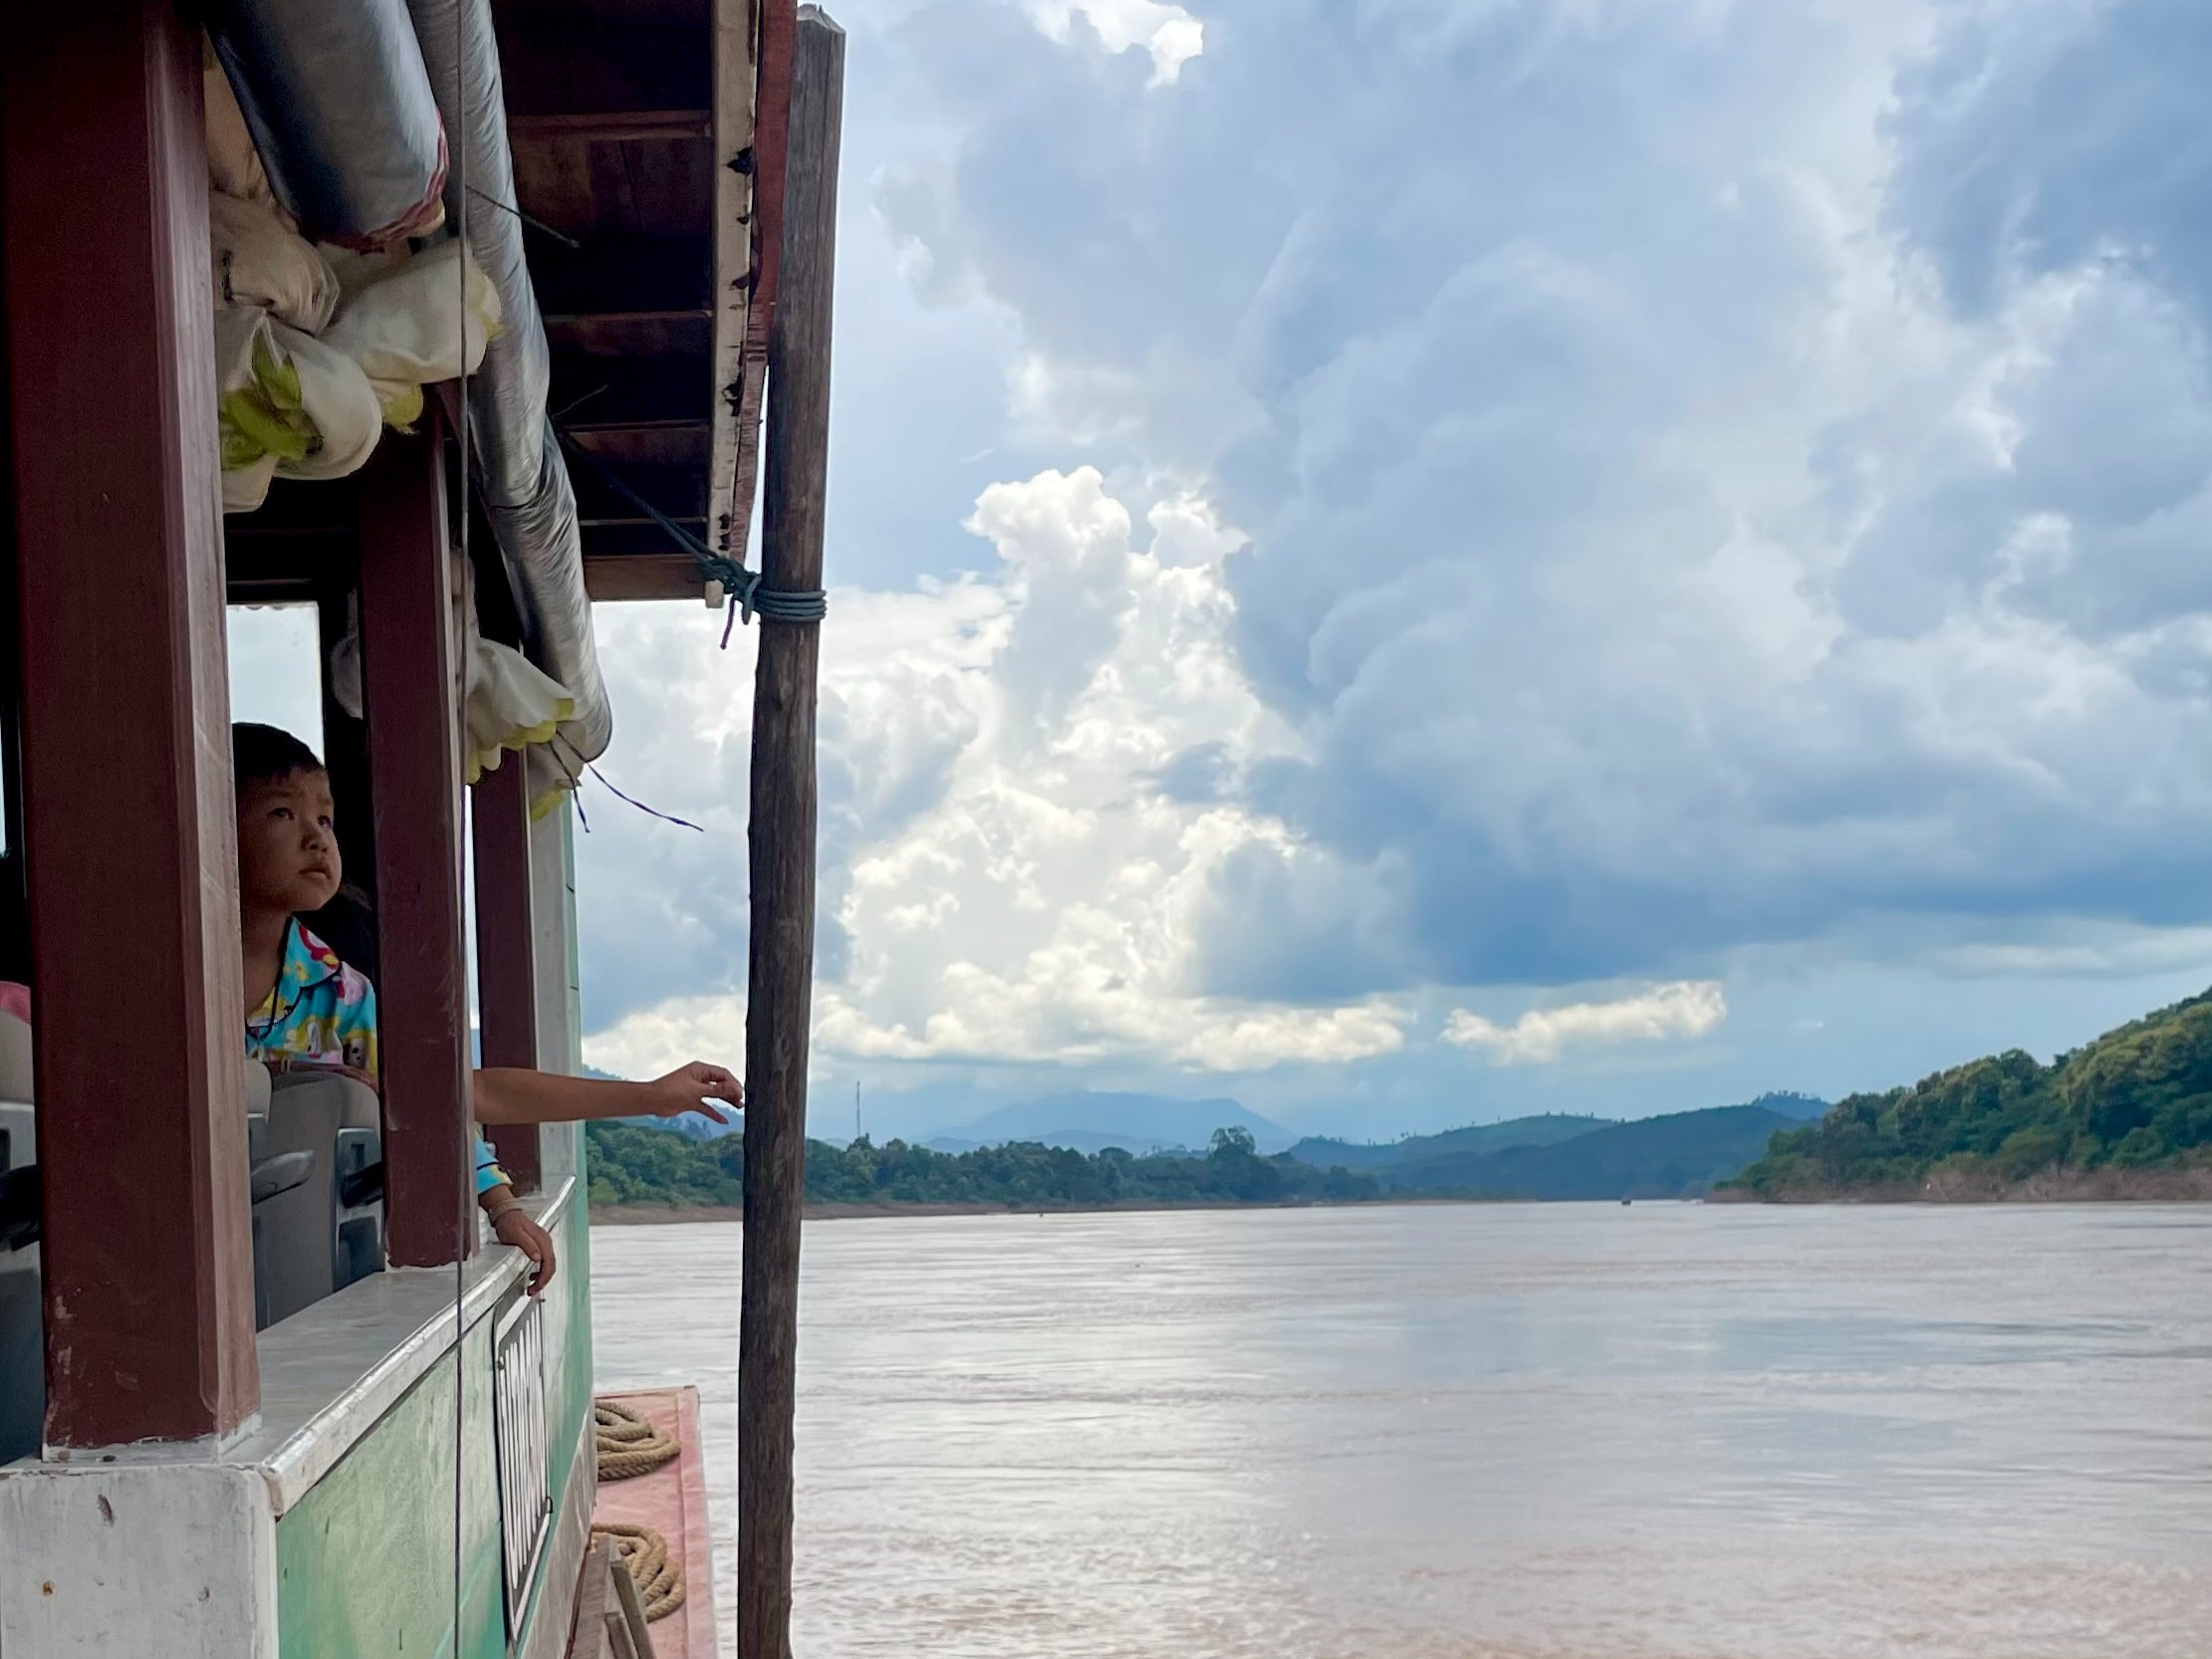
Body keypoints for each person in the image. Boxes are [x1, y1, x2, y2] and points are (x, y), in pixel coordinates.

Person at [233, 723, 740, 1294]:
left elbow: (452, 1096)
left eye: (325, 819)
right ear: (215, 828)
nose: (317, 839)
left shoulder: (341, 992)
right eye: (282, 814)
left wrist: (503, 1205)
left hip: (293, 1268)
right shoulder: (162, 976)